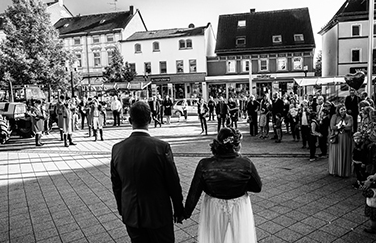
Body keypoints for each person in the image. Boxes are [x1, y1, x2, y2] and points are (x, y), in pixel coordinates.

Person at [110, 101, 184, 243]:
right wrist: (179, 209)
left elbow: (116, 185)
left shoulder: (117, 149)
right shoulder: (161, 147)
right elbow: (173, 181)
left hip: (131, 213)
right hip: (158, 213)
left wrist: (123, 208)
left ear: (130, 120)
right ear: (150, 120)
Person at [184, 127, 262, 243]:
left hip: (214, 206)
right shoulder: (246, 163)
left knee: (214, 237)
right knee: (239, 237)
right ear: (237, 144)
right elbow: (257, 187)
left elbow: (194, 193)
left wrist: (185, 213)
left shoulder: (204, 164)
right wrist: (241, 185)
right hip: (239, 206)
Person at [329, 104, 353, 177]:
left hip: (345, 138)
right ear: (338, 110)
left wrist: (341, 127)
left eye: (344, 109)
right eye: (341, 109)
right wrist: (339, 127)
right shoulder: (334, 116)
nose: (343, 110)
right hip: (337, 137)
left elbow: (349, 126)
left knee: (345, 153)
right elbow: (332, 126)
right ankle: (335, 171)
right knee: (335, 154)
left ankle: (344, 172)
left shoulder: (349, 117)